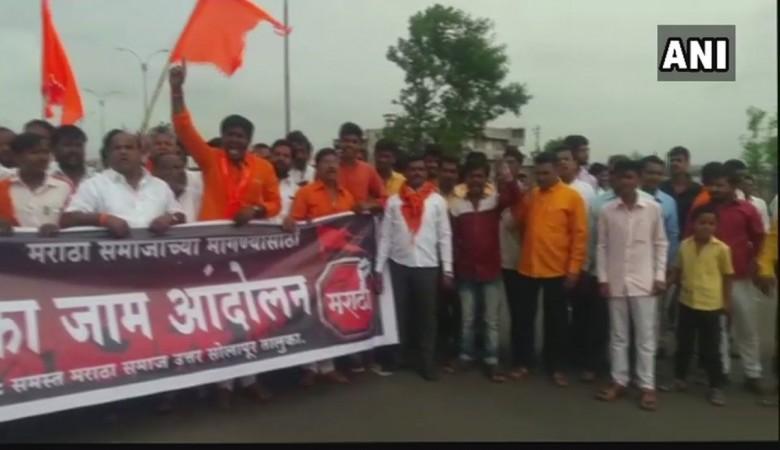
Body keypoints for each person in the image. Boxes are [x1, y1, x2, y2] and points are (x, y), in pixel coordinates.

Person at [685, 163, 765, 394]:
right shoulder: (701, 209)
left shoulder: (747, 209)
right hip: (711, 279)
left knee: (746, 326)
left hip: (740, 276)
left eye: (720, 185)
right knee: (717, 329)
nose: (715, 189)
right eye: (712, 185)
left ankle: (753, 373)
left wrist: (756, 264)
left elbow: (760, 239)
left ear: (732, 186)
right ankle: (721, 372)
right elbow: (688, 240)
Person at [595, 159, 668, 411]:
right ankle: (619, 380)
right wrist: (603, 278)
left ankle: (647, 386)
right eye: (619, 177)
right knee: (618, 336)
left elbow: (661, 243)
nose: (624, 182)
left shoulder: (652, 207)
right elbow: (602, 246)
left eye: (629, 177)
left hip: (644, 281)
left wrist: (660, 275)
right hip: (615, 281)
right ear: (613, 179)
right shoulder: (607, 210)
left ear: (637, 179)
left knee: (646, 337)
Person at [169, 64, 280, 229]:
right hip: (213, 239)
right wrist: (176, 90)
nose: (234, 140)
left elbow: (275, 203)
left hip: (248, 240)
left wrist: (256, 210)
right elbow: (183, 128)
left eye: (240, 136)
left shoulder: (265, 168)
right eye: (230, 135)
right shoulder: (210, 158)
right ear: (223, 137)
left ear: (248, 140)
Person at [375, 153, 452, 381]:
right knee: (399, 315)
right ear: (406, 172)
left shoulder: (437, 201)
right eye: (413, 169)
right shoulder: (394, 201)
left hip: (427, 266)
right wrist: (378, 269)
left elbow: (444, 236)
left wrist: (447, 269)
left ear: (426, 172)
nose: (417, 172)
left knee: (427, 317)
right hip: (399, 266)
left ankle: (427, 363)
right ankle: (397, 358)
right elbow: (385, 237)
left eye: (421, 169)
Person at [514, 152, 587, 387]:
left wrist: (574, 269)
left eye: (546, 173)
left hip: (557, 269)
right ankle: (523, 362)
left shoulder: (572, 197)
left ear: (557, 170)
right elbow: (519, 223)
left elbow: (579, 236)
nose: (542, 177)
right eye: (539, 173)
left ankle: (556, 366)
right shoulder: (532, 195)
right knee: (523, 318)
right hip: (528, 267)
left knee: (556, 321)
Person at [284, 148, 353, 386]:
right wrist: (291, 221)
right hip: (312, 263)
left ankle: (328, 365)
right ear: (318, 166)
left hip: (338, 263)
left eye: (335, 162)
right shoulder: (306, 193)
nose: (332, 166)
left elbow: (352, 228)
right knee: (311, 313)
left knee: (332, 313)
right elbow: (296, 225)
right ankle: (309, 366)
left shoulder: (347, 195)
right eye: (326, 162)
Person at [450, 154, 519, 382]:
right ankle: (466, 355)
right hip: (466, 271)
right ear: (465, 179)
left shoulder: (494, 202)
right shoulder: (457, 206)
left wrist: (506, 172)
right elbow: (453, 238)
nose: (476, 180)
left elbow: (515, 196)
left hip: (490, 270)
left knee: (491, 319)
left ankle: (491, 360)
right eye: (472, 176)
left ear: (486, 179)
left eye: (480, 176)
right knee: (468, 318)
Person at [661, 205, 732, 407]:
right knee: (683, 344)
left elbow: (727, 277)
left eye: (711, 223)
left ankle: (715, 387)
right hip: (687, 301)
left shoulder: (722, 249)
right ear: (693, 224)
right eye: (702, 222)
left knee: (711, 348)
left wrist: (727, 303)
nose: (706, 227)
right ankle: (679, 379)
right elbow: (677, 271)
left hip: (711, 304)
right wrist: (666, 285)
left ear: (716, 226)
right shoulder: (685, 245)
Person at [61, 130, 185, 237]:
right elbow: (68, 218)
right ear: (108, 155)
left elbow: (179, 214)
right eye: (117, 148)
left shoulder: (160, 186)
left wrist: (170, 219)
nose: (123, 152)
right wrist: (104, 219)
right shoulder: (94, 185)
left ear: (141, 154)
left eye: (129, 147)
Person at [640, 155, 680, 354]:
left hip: (657, 265)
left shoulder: (668, 202)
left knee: (656, 312)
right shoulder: (628, 198)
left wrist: (667, 266)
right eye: (650, 172)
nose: (654, 177)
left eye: (658, 173)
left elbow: (672, 235)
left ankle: (652, 351)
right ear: (641, 174)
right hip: (632, 266)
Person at [0, 133, 72, 237]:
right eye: (35, 153)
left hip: (55, 248)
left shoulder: (64, 187)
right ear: (16, 157)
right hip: (13, 250)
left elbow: (72, 220)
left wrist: (56, 228)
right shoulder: (3, 188)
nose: (42, 157)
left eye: (46, 152)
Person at [500, 148, 528, 379]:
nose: (506, 167)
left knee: (519, 313)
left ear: (520, 166)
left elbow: (517, 219)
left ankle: (520, 358)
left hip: (516, 260)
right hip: (491, 259)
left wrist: (511, 186)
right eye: (504, 162)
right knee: (487, 311)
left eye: (511, 162)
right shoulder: (492, 190)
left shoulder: (526, 194)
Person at [337, 122, 387, 214]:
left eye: (354, 142)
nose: (350, 145)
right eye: (346, 141)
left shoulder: (367, 170)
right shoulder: (330, 169)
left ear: (360, 145)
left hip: (360, 225)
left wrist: (370, 204)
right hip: (332, 223)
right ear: (339, 142)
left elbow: (386, 199)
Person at [152, 151, 203, 223]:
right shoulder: (149, 195)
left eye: (178, 167)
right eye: (167, 168)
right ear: (155, 172)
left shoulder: (198, 194)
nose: (175, 172)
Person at [661, 146, 703, 233]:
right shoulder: (661, 188)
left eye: (679, 160)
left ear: (687, 163)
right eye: (672, 160)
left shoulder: (698, 190)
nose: (674, 163)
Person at [270, 139, 299, 220]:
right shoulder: (258, 183)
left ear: (292, 161)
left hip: (285, 232)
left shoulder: (297, 191)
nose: (281, 158)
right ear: (270, 157)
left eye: (286, 156)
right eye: (277, 154)